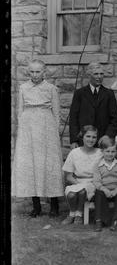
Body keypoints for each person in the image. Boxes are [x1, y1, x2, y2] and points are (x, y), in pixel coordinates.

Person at [12, 59, 64, 218]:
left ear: (44, 72)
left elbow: (56, 113)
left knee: (49, 164)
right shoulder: (23, 88)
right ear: (29, 72)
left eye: (38, 71)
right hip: (28, 129)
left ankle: (54, 205)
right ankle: (36, 206)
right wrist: (23, 131)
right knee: (32, 164)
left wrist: (53, 132)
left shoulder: (51, 89)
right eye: (32, 72)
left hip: (46, 127)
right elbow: (19, 112)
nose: (35, 75)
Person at [69, 62, 117, 148]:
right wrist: (74, 140)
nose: (99, 77)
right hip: (83, 140)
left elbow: (115, 118)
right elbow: (73, 118)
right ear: (89, 75)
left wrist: (108, 135)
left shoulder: (109, 94)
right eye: (96, 74)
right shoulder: (80, 94)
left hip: (103, 140)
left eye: (101, 74)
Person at [61, 125, 103, 225]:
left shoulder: (100, 153)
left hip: (93, 183)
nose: (91, 139)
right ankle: (72, 214)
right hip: (76, 181)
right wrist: (78, 184)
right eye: (88, 136)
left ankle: (79, 215)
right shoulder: (74, 153)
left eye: (94, 137)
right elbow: (68, 176)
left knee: (82, 191)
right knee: (72, 194)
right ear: (82, 136)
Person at [92, 136, 117, 232]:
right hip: (103, 190)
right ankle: (99, 220)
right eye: (107, 151)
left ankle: (116, 221)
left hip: (116, 190)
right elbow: (96, 181)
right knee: (98, 194)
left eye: (113, 151)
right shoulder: (98, 165)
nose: (110, 154)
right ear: (102, 151)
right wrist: (104, 189)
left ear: (116, 152)